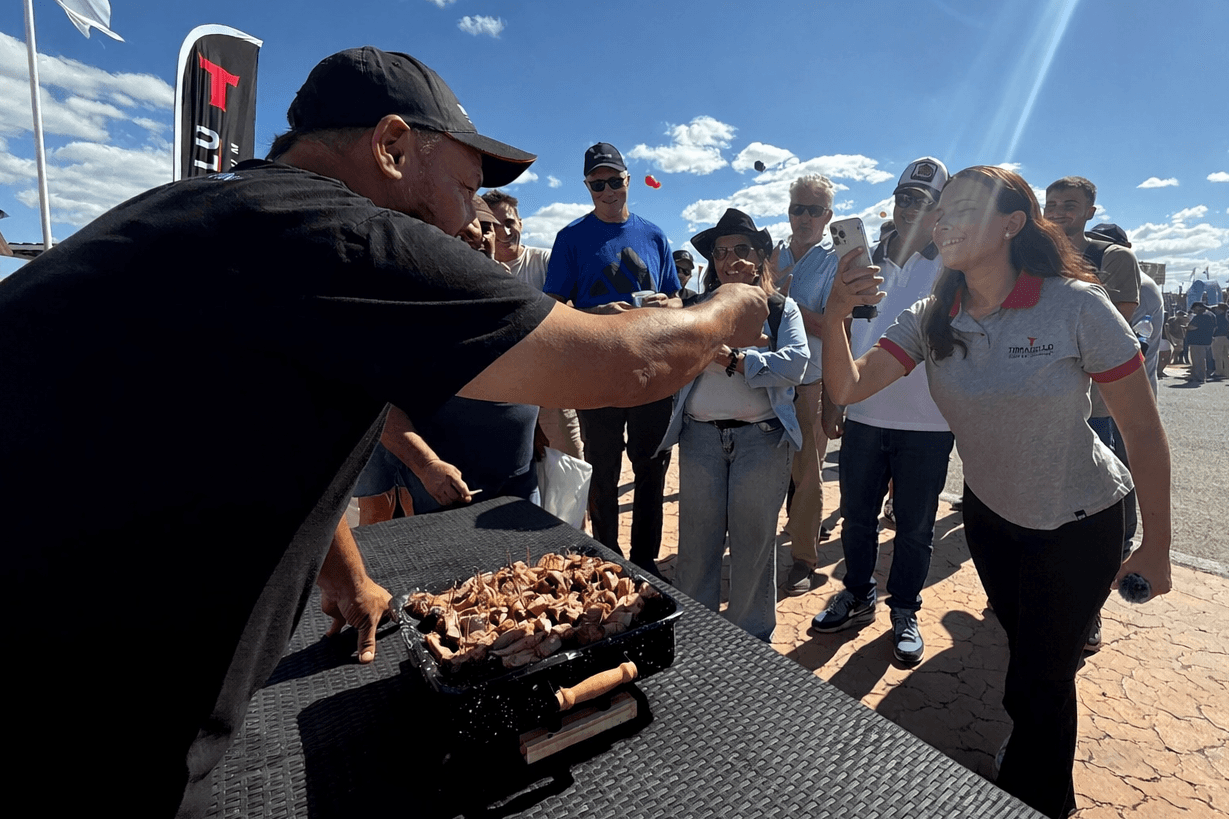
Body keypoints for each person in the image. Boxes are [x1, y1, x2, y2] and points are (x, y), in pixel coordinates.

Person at [0, 47, 771, 816]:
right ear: (392, 147)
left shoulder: (213, 211)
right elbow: (625, 366)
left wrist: (342, 573)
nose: (471, 217)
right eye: (466, 188)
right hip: (79, 707)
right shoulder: (343, 236)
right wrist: (731, 305)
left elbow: (271, 425)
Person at [821, 166, 1171, 819]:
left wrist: (1158, 544)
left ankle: (1042, 797)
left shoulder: (1074, 304)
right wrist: (837, 317)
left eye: (963, 210)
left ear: (1012, 224)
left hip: (1080, 520)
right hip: (989, 517)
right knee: (1027, 655)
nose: (942, 221)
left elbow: (1143, 433)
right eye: (941, 212)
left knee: (1042, 674)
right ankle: (1027, 747)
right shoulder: (932, 315)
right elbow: (848, 388)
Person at [810, 157, 954, 666]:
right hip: (865, 413)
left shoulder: (952, 265)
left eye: (921, 200)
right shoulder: (861, 260)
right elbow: (842, 333)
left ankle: (906, 609)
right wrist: (834, 402)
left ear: (940, 211)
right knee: (857, 519)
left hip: (930, 421)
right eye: (903, 197)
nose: (909, 207)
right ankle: (856, 592)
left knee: (915, 526)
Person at [658, 209, 809, 640]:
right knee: (696, 546)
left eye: (742, 249)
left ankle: (751, 641)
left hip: (761, 441)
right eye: (722, 253)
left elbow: (796, 364)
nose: (731, 260)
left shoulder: (781, 309)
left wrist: (733, 358)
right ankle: (696, 637)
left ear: (761, 256)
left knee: (754, 546)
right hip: (701, 437)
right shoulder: (695, 308)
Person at [544, 142, 682, 575]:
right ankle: (608, 560)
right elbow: (552, 311)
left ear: (629, 180)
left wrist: (669, 307)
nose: (607, 190)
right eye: (597, 183)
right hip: (598, 375)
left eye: (614, 180)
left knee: (651, 471)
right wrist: (595, 314)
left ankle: (644, 562)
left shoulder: (655, 235)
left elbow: (679, 300)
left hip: (650, 375)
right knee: (602, 473)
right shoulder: (570, 238)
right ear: (588, 186)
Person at [769, 174, 840, 594]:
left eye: (815, 209)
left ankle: (803, 560)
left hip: (808, 384)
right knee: (763, 470)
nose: (805, 217)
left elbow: (839, 327)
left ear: (828, 216)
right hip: (764, 381)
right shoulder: (771, 255)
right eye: (799, 208)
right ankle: (759, 547)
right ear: (789, 210)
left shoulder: (837, 261)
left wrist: (785, 305)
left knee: (808, 476)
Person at [1184, 301, 1216, 383]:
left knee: (1198, 360)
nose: (1194, 311)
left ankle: (1200, 377)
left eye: (1194, 309)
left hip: (1197, 341)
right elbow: (1215, 327)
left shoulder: (1200, 316)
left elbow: (1192, 327)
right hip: (1207, 340)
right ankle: (1195, 376)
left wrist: (1186, 327)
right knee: (1201, 359)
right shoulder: (1212, 315)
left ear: (1198, 308)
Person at [1211, 303, 1229, 378]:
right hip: (1226, 337)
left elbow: (1214, 328)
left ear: (1220, 309)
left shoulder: (1217, 317)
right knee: (1225, 355)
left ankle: (1218, 371)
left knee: (1217, 356)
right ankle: (1226, 372)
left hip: (1218, 337)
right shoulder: (1226, 316)